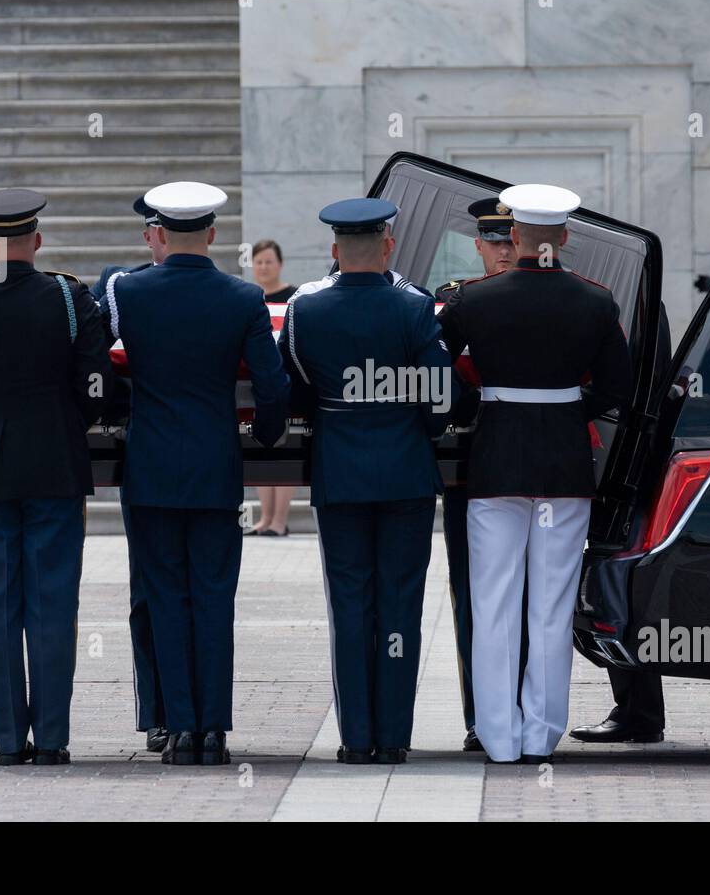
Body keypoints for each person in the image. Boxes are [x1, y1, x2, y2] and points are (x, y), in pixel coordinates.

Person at [438, 184, 634, 765]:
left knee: (493, 601)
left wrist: (471, 408)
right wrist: (568, 407)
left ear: (516, 237)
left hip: (497, 463)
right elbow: (619, 389)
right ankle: (540, 734)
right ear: (565, 238)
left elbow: (430, 365)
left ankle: (498, 738)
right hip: (565, 466)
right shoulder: (597, 303)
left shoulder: (475, 299)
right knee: (549, 606)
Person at [103, 181, 288, 767]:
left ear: (157, 233)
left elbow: (93, 357)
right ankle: (213, 728)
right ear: (212, 234)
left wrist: (113, 416)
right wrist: (264, 436)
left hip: (152, 467)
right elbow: (272, 383)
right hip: (215, 467)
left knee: (163, 597)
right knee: (213, 597)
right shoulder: (241, 298)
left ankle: (178, 727)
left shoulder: (128, 292)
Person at [0, 189, 113, 766]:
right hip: (52, 464)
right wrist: (67, 421)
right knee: (53, 604)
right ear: (36, 241)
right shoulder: (66, 295)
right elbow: (96, 383)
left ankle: (10, 741)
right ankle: (52, 739)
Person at [279, 198, 454, 764]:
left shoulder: (306, 307)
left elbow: (297, 386)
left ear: (334, 251)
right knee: (400, 605)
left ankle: (356, 737)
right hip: (404, 471)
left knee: (350, 603)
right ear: (387, 247)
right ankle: (395, 737)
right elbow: (439, 395)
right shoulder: (415, 305)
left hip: (342, 471)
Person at [432, 197, 518, 752]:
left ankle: (518, 705)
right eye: (496, 242)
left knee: (533, 594)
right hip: (469, 467)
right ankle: (480, 714)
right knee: (473, 594)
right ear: (479, 246)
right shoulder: (455, 301)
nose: (505, 252)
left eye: (513, 240)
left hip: (528, 466)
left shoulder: (555, 296)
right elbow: (435, 371)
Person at [569, 303, 673, 746]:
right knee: (613, 584)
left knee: (615, 585)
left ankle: (639, 709)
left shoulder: (628, 299)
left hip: (627, 465)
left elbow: (631, 383)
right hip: (623, 460)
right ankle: (636, 707)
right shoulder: (626, 295)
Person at [89, 194, 170, 753]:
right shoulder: (120, 286)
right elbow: (95, 354)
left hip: (153, 454)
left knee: (175, 591)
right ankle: (164, 713)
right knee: (153, 592)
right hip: (164, 452)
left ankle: (187, 711)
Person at [247, 238, 297, 537]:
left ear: (279, 264)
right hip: (258, 382)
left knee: (284, 449)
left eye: (269, 261)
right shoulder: (251, 297)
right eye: (259, 261)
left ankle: (280, 520)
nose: (264, 267)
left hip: (284, 380)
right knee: (260, 450)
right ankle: (265, 518)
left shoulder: (294, 296)